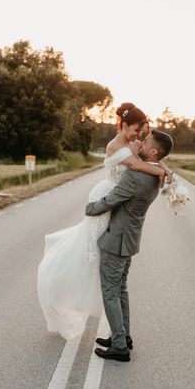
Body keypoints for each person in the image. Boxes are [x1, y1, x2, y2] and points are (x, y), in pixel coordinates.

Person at [37, 103, 173, 340]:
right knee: (91, 256)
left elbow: (152, 158)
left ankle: (119, 338)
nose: (138, 135)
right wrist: (162, 172)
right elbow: (136, 164)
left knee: (112, 279)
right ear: (124, 124)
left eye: (141, 131)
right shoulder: (115, 146)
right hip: (107, 199)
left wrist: (163, 167)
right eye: (136, 129)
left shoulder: (135, 146)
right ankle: (119, 335)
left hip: (117, 207)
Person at [86, 129, 174, 362]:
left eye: (145, 142)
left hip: (117, 239)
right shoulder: (156, 174)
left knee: (110, 292)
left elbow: (112, 200)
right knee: (121, 289)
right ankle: (123, 337)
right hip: (130, 237)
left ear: (153, 151)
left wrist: (90, 208)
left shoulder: (138, 177)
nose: (140, 143)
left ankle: (119, 346)